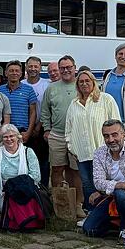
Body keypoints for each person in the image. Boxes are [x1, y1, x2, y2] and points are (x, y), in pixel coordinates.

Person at [65, 70, 120, 214]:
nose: (84, 84)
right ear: (77, 85)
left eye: (87, 81)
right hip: (81, 152)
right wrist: (72, 148)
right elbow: (69, 129)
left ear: (93, 82)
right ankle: (91, 213)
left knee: (102, 183)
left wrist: (114, 146)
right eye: (81, 82)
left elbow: (116, 124)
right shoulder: (74, 103)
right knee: (87, 183)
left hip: (103, 151)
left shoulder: (105, 99)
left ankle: (107, 213)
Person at [41, 55, 81, 216]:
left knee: (75, 170)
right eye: (62, 67)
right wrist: (46, 129)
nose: (65, 70)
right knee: (56, 170)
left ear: (74, 67)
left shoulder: (82, 85)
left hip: (76, 135)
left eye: (68, 67)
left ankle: (77, 204)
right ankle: (60, 205)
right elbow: (45, 111)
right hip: (57, 135)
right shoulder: (52, 88)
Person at [0, 124, 41, 212]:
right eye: (5, 137)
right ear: (1, 139)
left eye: (11, 136)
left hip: (25, 190)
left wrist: (14, 187)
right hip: (4, 192)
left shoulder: (28, 152)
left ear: (18, 137)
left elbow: (36, 176)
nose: (9, 139)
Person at [23, 56, 52, 188]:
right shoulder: (22, 84)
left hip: (41, 128)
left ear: (40, 68)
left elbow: (47, 108)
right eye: (30, 66)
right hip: (24, 129)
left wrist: (38, 127)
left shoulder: (47, 85)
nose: (33, 69)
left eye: (36, 66)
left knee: (43, 161)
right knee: (25, 160)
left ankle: (43, 188)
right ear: (26, 67)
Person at [0, 60, 37, 144]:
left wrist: (28, 132)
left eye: (17, 71)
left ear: (21, 73)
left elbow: (33, 113)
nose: (14, 73)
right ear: (6, 73)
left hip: (22, 132)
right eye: (11, 71)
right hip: (4, 132)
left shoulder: (29, 90)